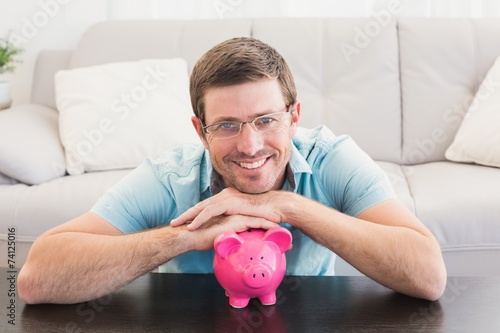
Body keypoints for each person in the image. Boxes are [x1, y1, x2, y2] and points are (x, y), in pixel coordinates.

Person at [18, 37, 446, 305]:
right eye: (226, 125)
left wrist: (286, 206)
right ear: (200, 132)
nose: (250, 145)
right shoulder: (170, 177)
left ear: (294, 116)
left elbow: (429, 276)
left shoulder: (331, 158)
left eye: (266, 119)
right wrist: (184, 237)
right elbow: (36, 281)